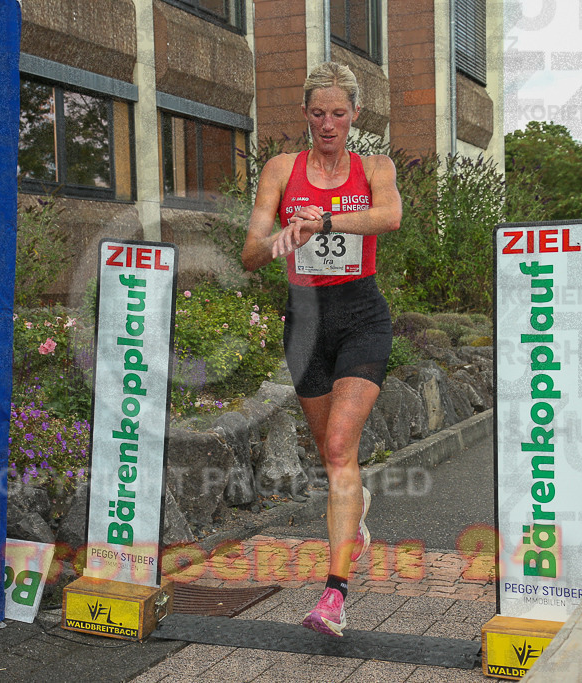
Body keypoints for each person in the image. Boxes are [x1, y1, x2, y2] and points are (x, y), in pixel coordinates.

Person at [241, 62, 402, 637]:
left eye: (339, 113)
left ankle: (333, 595)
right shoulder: (282, 169)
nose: (328, 123)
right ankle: (352, 519)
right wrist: (280, 238)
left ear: (356, 114)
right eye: (318, 113)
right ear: (305, 115)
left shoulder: (374, 167)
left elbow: (391, 216)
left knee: (338, 447)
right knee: (328, 453)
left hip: (362, 317)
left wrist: (326, 219)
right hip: (305, 324)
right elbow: (249, 253)